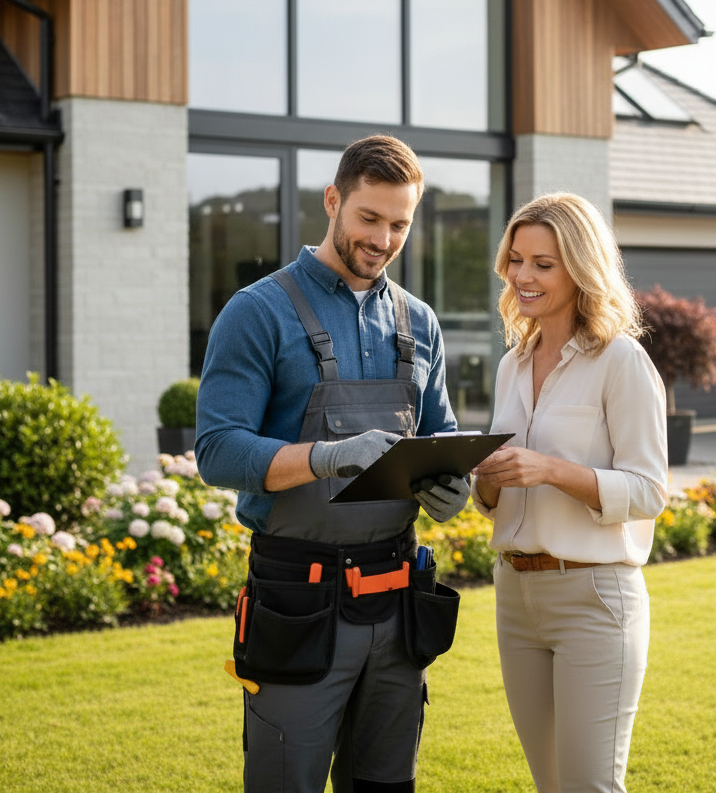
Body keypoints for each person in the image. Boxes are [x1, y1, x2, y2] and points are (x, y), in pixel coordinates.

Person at [195, 134, 469, 793]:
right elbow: (217, 449)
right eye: (369, 218)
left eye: (399, 224)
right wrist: (328, 457)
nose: (383, 239)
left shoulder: (419, 321)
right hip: (298, 602)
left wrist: (453, 482)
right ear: (332, 200)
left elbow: (442, 433)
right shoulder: (258, 312)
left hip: (399, 602)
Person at [471, 192, 668, 793]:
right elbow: (496, 497)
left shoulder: (620, 360)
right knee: (550, 785)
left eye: (543, 264)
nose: (522, 276)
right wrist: (486, 478)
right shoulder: (511, 364)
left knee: (589, 786)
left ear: (580, 268)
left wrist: (552, 470)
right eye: (516, 260)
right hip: (515, 596)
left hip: (594, 598)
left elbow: (649, 491)